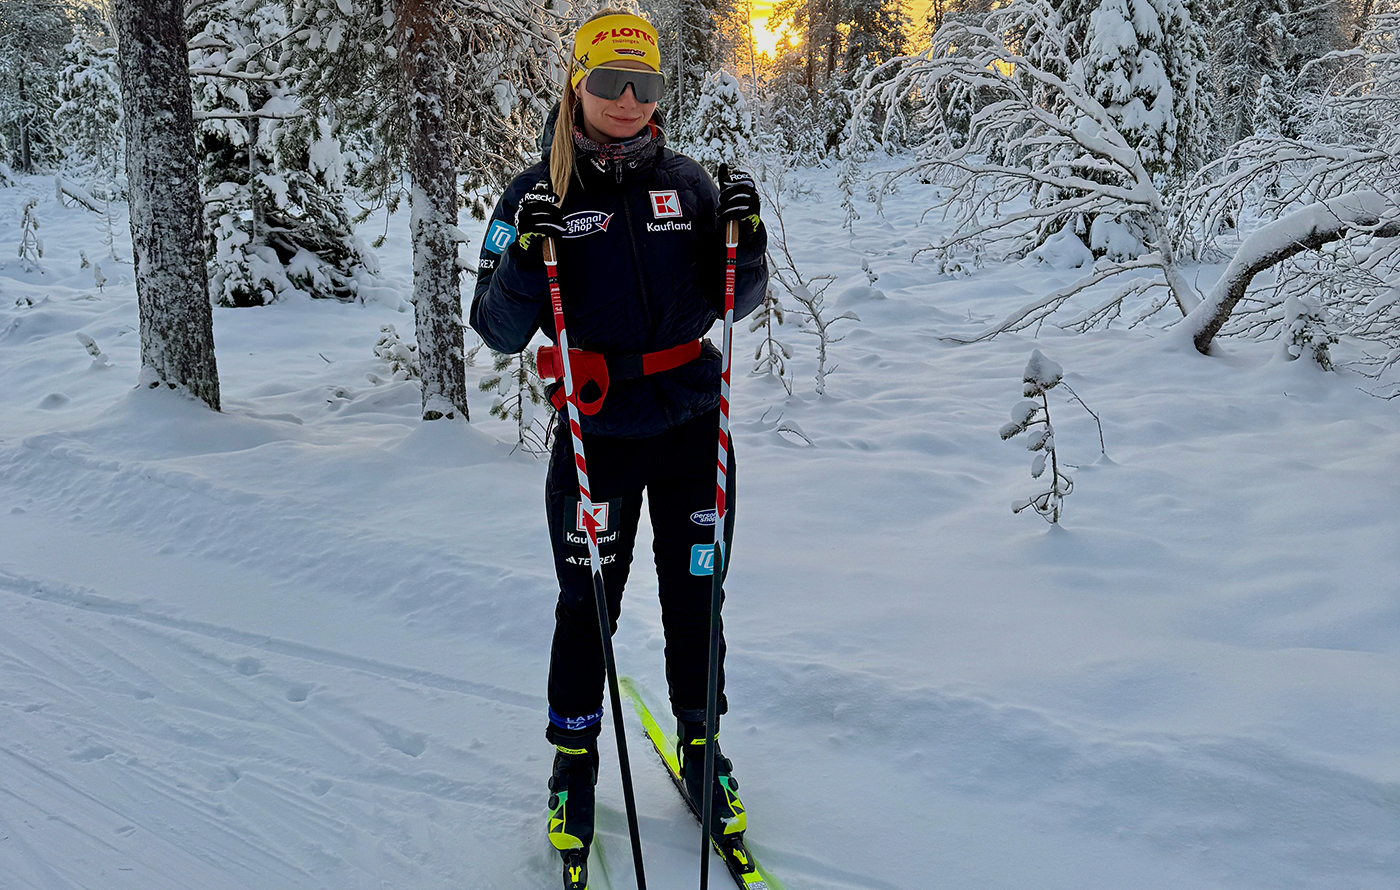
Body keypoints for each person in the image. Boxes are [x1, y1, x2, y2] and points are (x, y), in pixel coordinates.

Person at [468, 8, 767, 884]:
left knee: (697, 595)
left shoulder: (691, 184)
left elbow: (737, 302)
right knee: (587, 606)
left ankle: (702, 746)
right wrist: (523, 259)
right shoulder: (537, 192)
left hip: (689, 422)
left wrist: (747, 245)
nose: (629, 101)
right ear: (578, 87)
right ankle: (572, 764)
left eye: (645, 85)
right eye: (610, 84)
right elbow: (493, 326)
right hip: (598, 434)